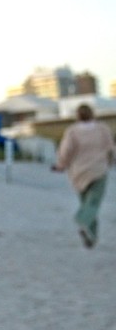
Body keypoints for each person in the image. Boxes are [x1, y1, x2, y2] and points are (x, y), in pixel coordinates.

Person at [52, 103, 115, 248]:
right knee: (93, 203)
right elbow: (110, 148)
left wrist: (60, 165)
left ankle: (91, 238)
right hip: (98, 170)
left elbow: (65, 151)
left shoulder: (72, 131)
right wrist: (110, 162)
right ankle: (83, 221)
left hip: (78, 172)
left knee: (86, 203)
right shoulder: (102, 128)